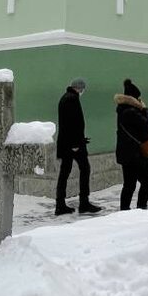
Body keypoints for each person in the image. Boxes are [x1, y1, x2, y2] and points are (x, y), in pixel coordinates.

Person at [55, 78, 102, 216]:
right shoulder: (71, 99)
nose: (83, 91)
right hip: (73, 145)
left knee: (64, 173)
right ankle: (84, 203)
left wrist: (80, 139)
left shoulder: (66, 98)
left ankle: (60, 204)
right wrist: (76, 143)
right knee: (85, 169)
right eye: (82, 89)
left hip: (67, 143)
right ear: (79, 88)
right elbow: (72, 123)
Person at [115, 78, 148, 210]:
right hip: (136, 155)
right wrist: (146, 110)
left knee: (129, 184)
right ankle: (140, 207)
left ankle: (125, 209)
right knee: (147, 181)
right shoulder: (131, 112)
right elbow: (146, 124)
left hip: (129, 154)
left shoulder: (123, 110)